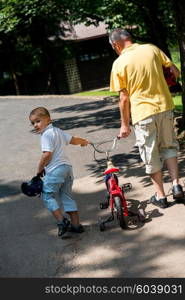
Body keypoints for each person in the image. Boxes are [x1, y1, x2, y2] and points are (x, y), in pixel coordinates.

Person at [109, 28, 184, 209]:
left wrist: (125, 125)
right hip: (165, 107)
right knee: (169, 146)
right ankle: (176, 186)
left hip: (143, 113)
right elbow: (175, 72)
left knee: (150, 154)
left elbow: (124, 98)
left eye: (113, 47)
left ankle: (160, 196)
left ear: (116, 44)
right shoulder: (152, 49)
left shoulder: (119, 63)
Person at [29, 107, 89, 238]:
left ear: (49, 120)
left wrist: (39, 170)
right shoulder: (57, 131)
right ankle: (76, 225)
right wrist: (83, 142)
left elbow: (47, 154)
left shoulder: (46, 135)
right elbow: (73, 140)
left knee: (47, 196)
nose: (35, 125)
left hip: (55, 170)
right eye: (33, 123)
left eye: (38, 121)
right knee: (67, 196)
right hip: (67, 168)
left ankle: (62, 222)